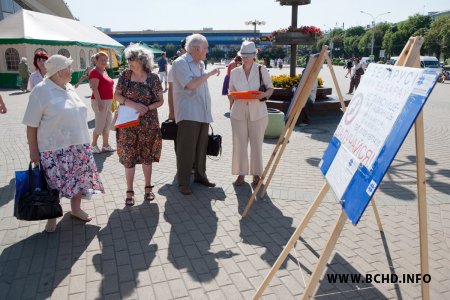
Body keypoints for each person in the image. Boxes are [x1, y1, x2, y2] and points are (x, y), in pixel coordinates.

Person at [22, 55, 104, 233]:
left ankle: (75, 210)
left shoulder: (68, 87)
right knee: (53, 185)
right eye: (69, 67)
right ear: (59, 71)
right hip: (53, 150)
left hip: (78, 145)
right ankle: (51, 215)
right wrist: (33, 152)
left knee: (78, 180)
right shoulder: (41, 91)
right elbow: (31, 126)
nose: (72, 70)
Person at [114, 44, 164, 206]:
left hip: (148, 124)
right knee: (129, 157)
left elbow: (160, 101)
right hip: (128, 124)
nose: (129, 62)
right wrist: (132, 104)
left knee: (146, 156)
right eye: (128, 59)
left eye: (132, 59)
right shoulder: (125, 76)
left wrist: (147, 108)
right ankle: (129, 191)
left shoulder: (153, 78)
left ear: (142, 61)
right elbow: (117, 95)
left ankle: (148, 188)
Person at [171, 33, 222, 195]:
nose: (207, 51)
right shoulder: (180, 63)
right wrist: (210, 74)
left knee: (201, 147)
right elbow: (191, 85)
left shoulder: (198, 63)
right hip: (188, 113)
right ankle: (183, 182)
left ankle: (200, 175)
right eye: (205, 48)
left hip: (202, 112)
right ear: (196, 49)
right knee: (186, 149)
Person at [227, 41, 274, 186]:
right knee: (239, 144)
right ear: (240, 56)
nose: (246, 59)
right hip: (238, 112)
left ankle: (256, 174)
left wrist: (262, 95)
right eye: (244, 56)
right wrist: (232, 98)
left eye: (249, 56)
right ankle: (241, 174)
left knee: (256, 145)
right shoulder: (234, 72)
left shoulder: (261, 69)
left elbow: (270, 89)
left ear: (254, 55)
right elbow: (230, 91)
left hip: (258, 112)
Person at [89, 52, 115, 154]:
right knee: (99, 125)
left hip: (108, 101)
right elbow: (94, 88)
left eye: (105, 60)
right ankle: (94, 145)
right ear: (96, 61)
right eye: (101, 60)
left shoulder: (104, 71)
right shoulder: (94, 72)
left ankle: (105, 145)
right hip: (99, 101)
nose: (104, 62)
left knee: (107, 124)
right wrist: (99, 102)